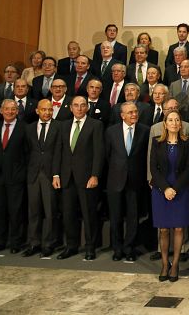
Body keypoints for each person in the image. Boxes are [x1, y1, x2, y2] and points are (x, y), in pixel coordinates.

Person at [53, 96, 104, 261]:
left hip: (87, 178)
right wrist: (56, 174)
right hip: (67, 178)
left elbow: (99, 153)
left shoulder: (96, 125)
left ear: (87, 107)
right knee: (68, 215)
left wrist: (95, 175)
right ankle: (71, 246)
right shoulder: (63, 125)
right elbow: (58, 151)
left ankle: (90, 247)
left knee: (89, 214)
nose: (79, 108)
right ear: (70, 108)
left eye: (83, 105)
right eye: (76, 105)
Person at [150, 111, 189, 281]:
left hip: (180, 189)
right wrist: (165, 188)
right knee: (163, 229)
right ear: (165, 123)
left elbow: (188, 169)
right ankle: (164, 264)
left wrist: (174, 188)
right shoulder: (157, 142)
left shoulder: (187, 143)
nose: (174, 122)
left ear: (180, 124)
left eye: (177, 120)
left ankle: (175, 264)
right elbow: (153, 168)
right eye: (170, 120)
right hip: (161, 189)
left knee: (178, 228)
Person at [105, 102, 150, 261]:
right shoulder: (111, 131)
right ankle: (117, 249)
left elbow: (146, 157)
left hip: (136, 181)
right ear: (122, 115)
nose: (134, 115)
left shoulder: (145, 131)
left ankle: (129, 248)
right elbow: (108, 156)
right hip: (115, 181)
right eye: (130, 112)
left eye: (135, 111)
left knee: (133, 217)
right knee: (115, 217)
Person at [0, 99, 28, 255]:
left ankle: (16, 242)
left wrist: (22, 174)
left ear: (17, 111)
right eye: (7, 109)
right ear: (1, 110)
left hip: (15, 177)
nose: (10, 112)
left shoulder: (25, 128)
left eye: (13, 109)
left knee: (15, 211)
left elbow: (27, 154)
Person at [23, 99, 62, 258]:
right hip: (33, 174)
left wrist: (56, 174)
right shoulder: (29, 128)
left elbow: (60, 151)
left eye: (49, 110)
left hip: (50, 174)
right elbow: (26, 151)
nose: (47, 113)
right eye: (44, 110)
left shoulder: (59, 127)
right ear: (37, 111)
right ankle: (34, 243)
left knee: (50, 211)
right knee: (33, 211)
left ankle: (49, 243)